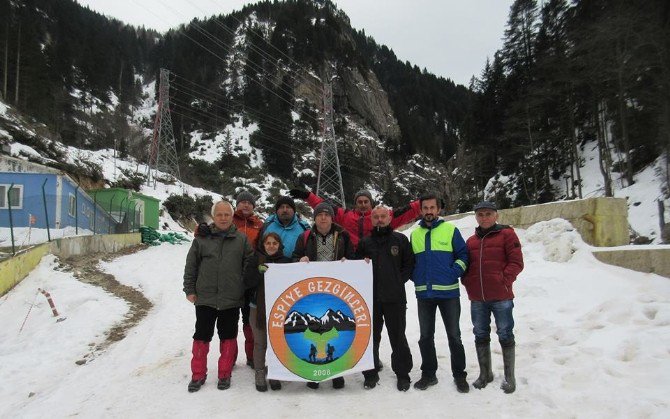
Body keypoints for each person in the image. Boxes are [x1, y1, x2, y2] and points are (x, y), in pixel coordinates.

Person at [183, 200, 254, 392]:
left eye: (227, 214)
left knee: (228, 336)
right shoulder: (201, 239)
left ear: (232, 217)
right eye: (219, 215)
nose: (223, 218)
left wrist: (243, 285)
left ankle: (224, 374)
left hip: (231, 299)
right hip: (205, 298)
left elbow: (250, 265)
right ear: (213, 217)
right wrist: (189, 289)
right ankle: (198, 375)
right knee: (202, 336)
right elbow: (191, 266)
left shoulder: (241, 240)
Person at [461, 201, 524, 394]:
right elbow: (466, 264)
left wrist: (504, 280)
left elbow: (516, 262)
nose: (484, 217)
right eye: (480, 214)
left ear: (496, 215)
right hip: (477, 298)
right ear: (476, 217)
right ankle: (485, 373)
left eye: (488, 214)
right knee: (480, 334)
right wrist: (467, 281)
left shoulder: (507, 234)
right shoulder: (471, 241)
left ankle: (509, 377)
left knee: (505, 333)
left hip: (501, 296)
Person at [410, 193, 470, 393]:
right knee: (425, 336)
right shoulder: (415, 234)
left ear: (438, 209)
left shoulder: (450, 230)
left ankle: (459, 375)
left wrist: (454, 272)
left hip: (449, 294)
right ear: (421, 210)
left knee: (454, 336)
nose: (428, 211)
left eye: (432, 208)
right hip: (424, 294)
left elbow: (463, 255)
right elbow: (411, 262)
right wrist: (416, 276)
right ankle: (429, 374)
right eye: (425, 208)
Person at [293, 202, 355, 390]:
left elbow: (353, 257)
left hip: (337, 289)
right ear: (315, 218)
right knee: (315, 326)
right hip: (312, 289)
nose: (323, 217)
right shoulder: (305, 236)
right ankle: (313, 375)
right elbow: (295, 257)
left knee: (334, 329)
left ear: (332, 217)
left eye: (327, 214)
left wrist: (348, 261)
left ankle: (337, 373)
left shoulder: (343, 235)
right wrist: (300, 260)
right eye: (319, 214)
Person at [356, 205, 414, 391]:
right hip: (371, 298)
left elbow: (409, 264)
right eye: (376, 217)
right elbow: (355, 267)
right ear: (371, 220)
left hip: (395, 297)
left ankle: (403, 374)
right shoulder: (365, 242)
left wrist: (398, 282)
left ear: (389, 218)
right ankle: (370, 373)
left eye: (383, 216)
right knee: (371, 337)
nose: (379, 219)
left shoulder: (400, 239)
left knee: (398, 336)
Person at [289, 188, 421, 249]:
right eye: (360, 202)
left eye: (366, 201)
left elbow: (407, 211)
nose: (363, 204)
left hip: (376, 259)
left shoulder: (381, 216)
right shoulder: (345, 215)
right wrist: (307, 196)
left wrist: (425, 203)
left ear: (371, 203)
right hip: (352, 261)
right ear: (355, 204)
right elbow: (324, 206)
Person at [244, 232, 292, 392]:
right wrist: (258, 272)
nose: (271, 246)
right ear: (262, 245)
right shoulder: (254, 259)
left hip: (280, 309)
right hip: (257, 308)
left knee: (276, 342)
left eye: (274, 243)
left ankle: (275, 371)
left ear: (279, 245)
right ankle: (259, 371)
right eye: (268, 243)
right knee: (260, 342)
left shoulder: (285, 262)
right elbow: (247, 282)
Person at [233, 190, 264, 369]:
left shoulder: (259, 225)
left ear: (253, 206)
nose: (245, 204)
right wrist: (200, 228)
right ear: (237, 205)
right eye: (242, 202)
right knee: (229, 322)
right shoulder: (229, 222)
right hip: (231, 277)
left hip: (251, 279)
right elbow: (210, 231)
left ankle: (252, 357)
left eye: (249, 202)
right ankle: (230, 359)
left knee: (249, 322)